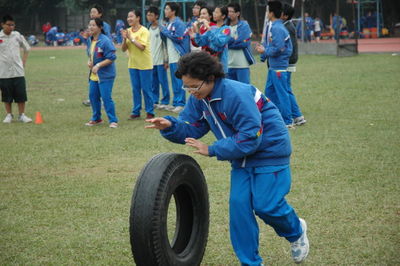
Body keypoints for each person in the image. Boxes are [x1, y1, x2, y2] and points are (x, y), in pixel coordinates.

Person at [145, 51, 309, 265]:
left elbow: (251, 137)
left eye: (194, 86)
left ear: (210, 78)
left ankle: (296, 231)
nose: (191, 92)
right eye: (187, 87)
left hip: (269, 152)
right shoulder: (199, 99)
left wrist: (213, 149)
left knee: (266, 206)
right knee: (239, 209)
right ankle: (250, 263)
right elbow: (191, 127)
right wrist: (170, 125)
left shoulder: (236, 94)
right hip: (241, 157)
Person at [256, 1, 293, 127]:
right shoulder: (274, 26)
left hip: (279, 69)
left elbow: (279, 48)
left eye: (267, 11)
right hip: (273, 68)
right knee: (269, 94)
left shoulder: (277, 28)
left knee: (282, 95)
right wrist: (264, 53)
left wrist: (264, 51)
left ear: (271, 13)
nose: (266, 13)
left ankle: (288, 121)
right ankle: (273, 119)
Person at [85, 18, 118, 128]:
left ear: (100, 27)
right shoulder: (90, 40)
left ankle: (113, 120)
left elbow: (112, 57)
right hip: (94, 75)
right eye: (90, 25)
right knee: (93, 96)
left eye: (93, 25)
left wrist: (99, 65)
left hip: (106, 75)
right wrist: (90, 61)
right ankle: (96, 118)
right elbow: (90, 54)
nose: (90, 27)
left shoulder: (105, 41)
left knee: (106, 97)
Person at [122, 10, 155, 120]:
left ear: (138, 18)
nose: (129, 19)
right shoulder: (128, 31)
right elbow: (123, 49)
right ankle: (136, 111)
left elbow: (142, 47)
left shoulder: (144, 31)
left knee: (146, 89)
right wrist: (124, 39)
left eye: (131, 16)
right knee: (135, 89)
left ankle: (150, 112)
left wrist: (131, 38)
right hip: (133, 64)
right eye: (128, 17)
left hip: (145, 65)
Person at [0, 15, 32, 123]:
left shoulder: (17, 35)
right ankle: (9, 115)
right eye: (8, 25)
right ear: (2, 24)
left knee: (21, 94)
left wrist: (24, 61)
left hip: (18, 71)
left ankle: (22, 115)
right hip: (4, 72)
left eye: (13, 25)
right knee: (6, 95)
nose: (11, 27)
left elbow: (27, 48)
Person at [160, 2, 190, 113]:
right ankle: (175, 103)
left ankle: (181, 103)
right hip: (172, 56)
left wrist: (165, 31)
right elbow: (166, 37)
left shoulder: (178, 23)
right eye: (165, 9)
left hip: (178, 56)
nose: (165, 11)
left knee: (179, 80)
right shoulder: (169, 23)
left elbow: (179, 38)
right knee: (174, 80)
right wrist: (163, 31)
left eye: (167, 9)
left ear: (173, 11)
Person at [82, 4, 112, 107]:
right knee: (92, 79)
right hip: (93, 58)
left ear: (100, 14)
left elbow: (105, 41)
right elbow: (90, 42)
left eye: (94, 12)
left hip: (102, 58)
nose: (92, 14)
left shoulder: (104, 26)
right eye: (91, 12)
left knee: (102, 80)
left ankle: (103, 101)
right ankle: (93, 99)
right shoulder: (90, 27)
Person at [281, 4, 306, 126]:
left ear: (285, 16)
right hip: (288, 61)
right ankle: (297, 116)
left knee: (285, 89)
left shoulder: (287, 27)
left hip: (287, 62)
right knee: (286, 88)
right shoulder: (287, 25)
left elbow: (288, 48)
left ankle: (295, 116)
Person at [189, 5, 231, 73]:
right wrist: (197, 29)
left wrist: (208, 28)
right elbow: (200, 42)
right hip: (208, 64)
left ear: (223, 16)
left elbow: (219, 43)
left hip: (220, 65)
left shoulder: (226, 29)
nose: (214, 14)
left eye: (217, 12)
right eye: (214, 12)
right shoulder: (213, 28)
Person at [146, 6, 171, 111]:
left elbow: (165, 45)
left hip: (161, 61)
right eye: (147, 15)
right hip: (151, 61)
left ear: (156, 16)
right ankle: (155, 100)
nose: (148, 17)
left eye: (151, 15)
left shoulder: (161, 28)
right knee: (153, 82)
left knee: (163, 81)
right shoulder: (147, 28)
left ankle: (165, 101)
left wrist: (166, 60)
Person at [227, 3, 255, 84]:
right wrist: (234, 40)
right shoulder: (225, 26)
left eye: (231, 11)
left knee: (244, 89)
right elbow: (222, 42)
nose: (229, 13)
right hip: (228, 65)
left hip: (242, 65)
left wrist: (228, 43)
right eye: (228, 11)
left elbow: (244, 43)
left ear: (238, 13)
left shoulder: (244, 25)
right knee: (231, 91)